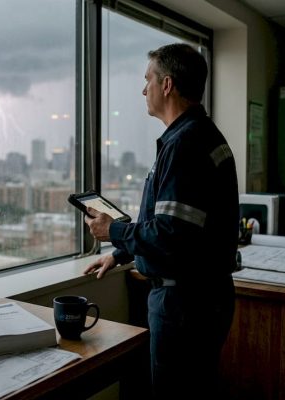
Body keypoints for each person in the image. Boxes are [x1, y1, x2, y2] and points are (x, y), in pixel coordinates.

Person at [83, 43, 239, 398]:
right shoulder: (203, 135)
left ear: (166, 85)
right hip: (203, 298)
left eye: (148, 80)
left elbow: (171, 235)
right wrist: (119, 253)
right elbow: (182, 227)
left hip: (184, 304)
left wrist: (112, 231)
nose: (143, 90)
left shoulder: (184, 145)